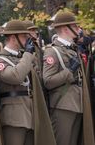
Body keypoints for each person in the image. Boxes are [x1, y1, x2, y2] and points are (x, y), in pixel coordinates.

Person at [0, 20, 55, 145]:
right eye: (24, 36)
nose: (27, 40)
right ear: (13, 38)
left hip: (30, 113)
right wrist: (28, 54)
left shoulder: (22, 57)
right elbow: (16, 76)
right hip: (13, 117)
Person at [43, 12, 95, 145]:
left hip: (78, 103)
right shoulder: (52, 51)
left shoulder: (73, 48)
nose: (79, 29)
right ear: (66, 28)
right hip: (63, 106)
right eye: (75, 26)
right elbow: (48, 81)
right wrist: (69, 71)